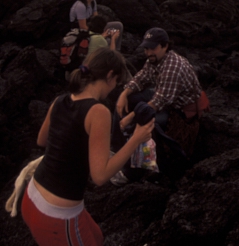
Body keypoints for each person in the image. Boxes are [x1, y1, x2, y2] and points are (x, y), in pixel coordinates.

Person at [22, 48, 154, 246]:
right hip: (56, 215)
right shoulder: (99, 111)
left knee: (97, 237)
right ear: (110, 76)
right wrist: (136, 139)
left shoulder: (59, 101)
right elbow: (100, 177)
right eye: (116, 82)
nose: (114, 88)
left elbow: (42, 141)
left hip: (31, 196)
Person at [115, 28, 203, 135]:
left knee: (142, 122)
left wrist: (131, 117)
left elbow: (159, 101)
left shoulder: (173, 67)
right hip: (161, 95)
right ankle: (115, 142)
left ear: (165, 46)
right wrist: (124, 94)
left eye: (153, 48)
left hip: (178, 109)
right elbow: (141, 78)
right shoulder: (154, 59)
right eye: (146, 48)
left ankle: (130, 142)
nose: (148, 52)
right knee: (124, 98)